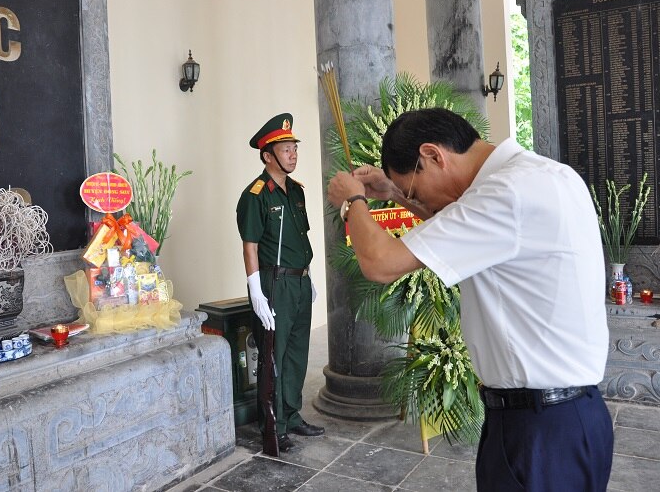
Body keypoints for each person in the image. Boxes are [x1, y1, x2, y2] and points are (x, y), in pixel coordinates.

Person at [327, 107, 613, 491]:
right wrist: (396, 192)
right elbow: (455, 222)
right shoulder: (544, 176)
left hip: (538, 432)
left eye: (413, 189)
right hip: (573, 418)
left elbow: (380, 263)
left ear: (432, 155)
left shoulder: (503, 195)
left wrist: (353, 201)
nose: (416, 199)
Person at [236, 112, 325, 453]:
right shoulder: (256, 195)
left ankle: (292, 414)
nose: (293, 154)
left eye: (294, 148)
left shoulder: (296, 192)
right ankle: (274, 427)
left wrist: (310, 277)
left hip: (300, 283)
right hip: (275, 285)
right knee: (274, 356)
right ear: (266, 155)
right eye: (286, 149)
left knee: (297, 354)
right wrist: (255, 290)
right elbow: (250, 245)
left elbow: (299, 240)